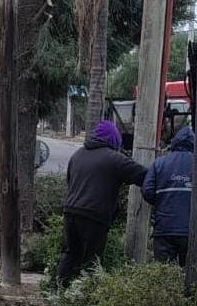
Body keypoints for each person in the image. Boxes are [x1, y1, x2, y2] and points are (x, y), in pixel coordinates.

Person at [58, 120, 147, 286]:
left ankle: (59, 290)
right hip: (94, 216)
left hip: (70, 212)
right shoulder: (115, 159)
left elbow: (69, 182)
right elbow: (143, 175)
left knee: (71, 254)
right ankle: (86, 295)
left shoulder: (77, 155)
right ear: (114, 140)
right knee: (92, 259)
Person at [141, 127, 195, 265]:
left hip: (164, 229)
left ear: (174, 142)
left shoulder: (159, 163)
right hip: (191, 230)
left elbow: (147, 191)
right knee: (190, 273)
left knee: (162, 274)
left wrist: (163, 201)